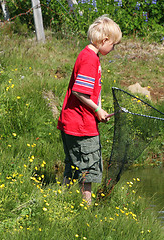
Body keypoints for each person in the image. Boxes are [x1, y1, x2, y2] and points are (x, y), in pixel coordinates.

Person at [57, 15, 122, 205]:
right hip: (81, 124)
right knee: (89, 167)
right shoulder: (89, 60)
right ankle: (86, 207)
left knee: (73, 165)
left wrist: (98, 110)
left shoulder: (89, 55)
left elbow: (91, 90)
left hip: (73, 121)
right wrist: (97, 110)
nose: (113, 48)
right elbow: (79, 91)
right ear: (104, 41)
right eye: (114, 45)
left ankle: (62, 202)